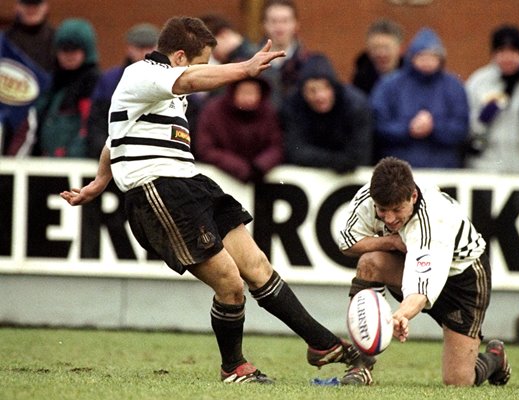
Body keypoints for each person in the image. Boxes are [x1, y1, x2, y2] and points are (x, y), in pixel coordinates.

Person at [60, 16, 370, 384]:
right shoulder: (143, 74)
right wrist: (246, 68)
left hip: (189, 183)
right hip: (156, 188)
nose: (206, 71)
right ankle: (234, 367)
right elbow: (189, 80)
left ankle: (321, 344)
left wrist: (98, 182)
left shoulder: (160, 92)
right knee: (229, 283)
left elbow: (116, 139)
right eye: (202, 61)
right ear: (178, 56)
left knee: (256, 265)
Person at [337, 156, 511, 386]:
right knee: (371, 263)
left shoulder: (433, 220)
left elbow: (420, 291)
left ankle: (494, 359)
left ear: (413, 196)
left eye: (397, 209)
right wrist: (391, 243)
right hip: (412, 267)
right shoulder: (368, 197)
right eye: (382, 210)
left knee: (458, 381)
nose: (389, 219)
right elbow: (347, 242)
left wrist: (401, 316)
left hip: (463, 279)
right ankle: (361, 365)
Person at [370, 27, 469, 168]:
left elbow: (461, 128)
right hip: (399, 171)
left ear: (440, 59)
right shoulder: (390, 85)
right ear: (412, 58)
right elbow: (378, 124)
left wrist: (434, 127)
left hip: (443, 170)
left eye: (432, 56)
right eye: (422, 56)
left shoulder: (453, 86)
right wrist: (407, 129)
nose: (427, 61)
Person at [7, 17, 100, 157]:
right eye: (64, 49)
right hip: (43, 162)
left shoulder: (94, 84)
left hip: (77, 166)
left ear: (87, 51)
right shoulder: (49, 83)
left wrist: (70, 154)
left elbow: (89, 128)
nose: (68, 55)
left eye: (74, 49)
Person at [465, 25, 519, 173]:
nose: (507, 58)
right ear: (493, 54)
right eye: (501, 51)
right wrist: (482, 119)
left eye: (513, 51)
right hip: (488, 163)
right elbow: (467, 125)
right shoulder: (480, 81)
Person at [280, 54, 373, 172]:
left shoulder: (356, 105)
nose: (320, 96)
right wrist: (335, 161)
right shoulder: (292, 105)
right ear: (302, 92)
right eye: (312, 90)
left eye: (326, 88)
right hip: (308, 175)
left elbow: (360, 155)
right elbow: (295, 151)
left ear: (334, 87)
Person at [87, 23, 160, 158]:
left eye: (149, 47)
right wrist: (106, 153)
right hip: (114, 156)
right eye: (140, 47)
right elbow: (97, 122)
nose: (145, 53)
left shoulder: (170, 81)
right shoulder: (109, 81)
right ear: (129, 48)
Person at [192, 76, 284, 183]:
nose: (249, 98)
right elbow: (205, 148)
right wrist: (238, 167)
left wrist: (260, 166)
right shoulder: (213, 112)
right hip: (222, 178)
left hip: (258, 176)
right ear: (233, 91)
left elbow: (276, 146)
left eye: (253, 92)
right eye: (244, 92)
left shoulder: (268, 112)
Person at [260, 0, 314, 107]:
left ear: (296, 24)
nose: (279, 27)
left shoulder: (309, 62)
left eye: (285, 21)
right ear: (264, 24)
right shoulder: (249, 60)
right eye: (273, 21)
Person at [352, 18, 405, 95]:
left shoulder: (412, 78)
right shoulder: (360, 79)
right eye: (376, 47)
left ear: (400, 49)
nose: (381, 53)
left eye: (387, 48)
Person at [4, 0, 55, 72]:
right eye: (26, 4)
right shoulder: (4, 40)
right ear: (17, 7)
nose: (31, 9)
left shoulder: (57, 39)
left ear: (46, 7)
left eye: (36, 5)